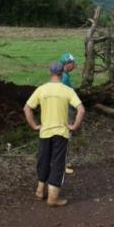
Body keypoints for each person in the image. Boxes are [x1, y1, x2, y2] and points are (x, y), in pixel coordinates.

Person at [23, 62, 85, 207]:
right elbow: (81, 110)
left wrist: (34, 125)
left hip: (44, 132)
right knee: (58, 163)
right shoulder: (67, 90)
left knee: (43, 160)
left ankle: (39, 191)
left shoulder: (41, 90)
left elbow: (27, 108)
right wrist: (74, 126)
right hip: (61, 133)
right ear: (62, 73)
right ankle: (53, 198)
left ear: (50, 73)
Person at [59, 52, 77, 175]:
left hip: (65, 110)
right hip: (66, 111)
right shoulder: (64, 78)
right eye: (73, 63)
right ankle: (62, 165)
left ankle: (63, 162)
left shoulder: (63, 75)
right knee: (65, 137)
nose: (74, 65)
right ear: (68, 64)